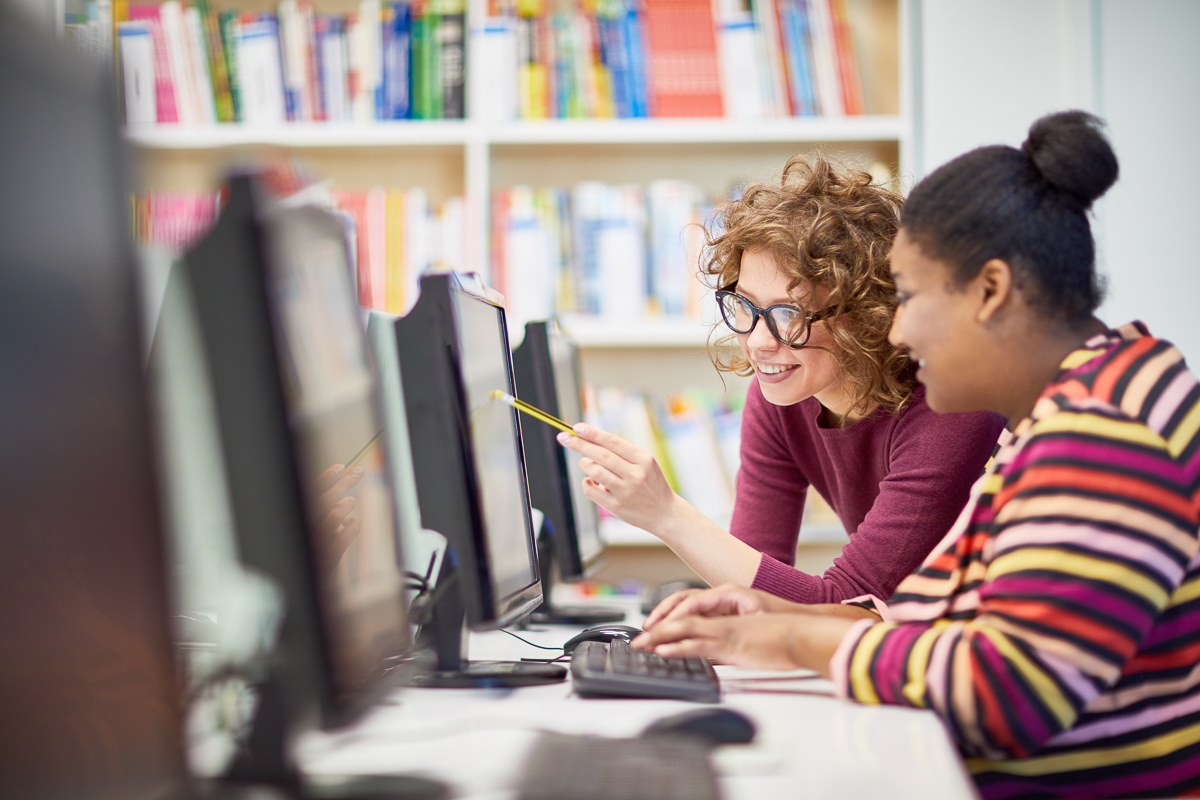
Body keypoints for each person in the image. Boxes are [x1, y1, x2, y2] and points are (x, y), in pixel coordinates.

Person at [634, 111, 1200, 798]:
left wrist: (789, 641)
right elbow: (938, 614)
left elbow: (1002, 695)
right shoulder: (1086, 397)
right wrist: (778, 618)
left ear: (989, 292)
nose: (895, 328)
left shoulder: (1101, 434)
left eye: (907, 297)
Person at [559, 154, 1005, 602]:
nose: (757, 342)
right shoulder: (779, 399)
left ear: (867, 315)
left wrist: (669, 515)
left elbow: (852, 603)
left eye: (788, 314)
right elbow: (754, 584)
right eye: (747, 307)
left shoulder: (950, 408)